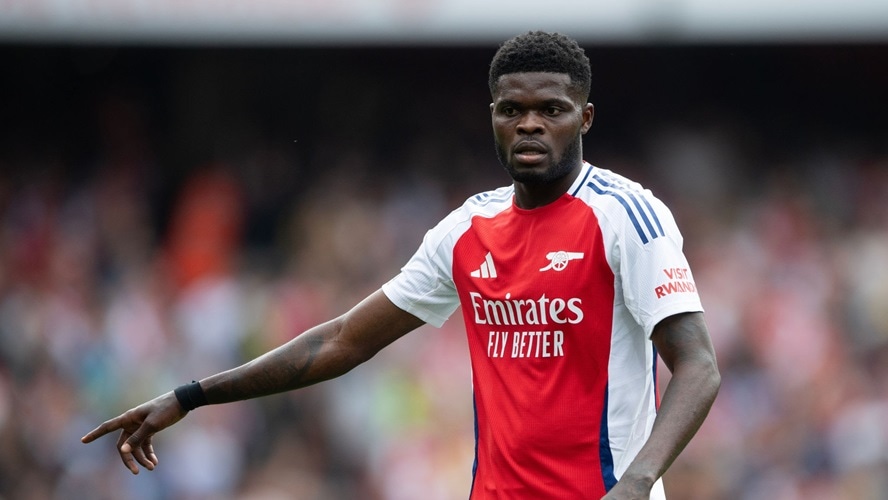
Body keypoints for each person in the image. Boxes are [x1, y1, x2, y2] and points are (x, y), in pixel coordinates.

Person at [82, 31, 720, 499]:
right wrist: (191, 396)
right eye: (512, 110)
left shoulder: (627, 216)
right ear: (493, 117)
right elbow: (342, 340)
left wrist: (637, 483)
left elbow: (698, 366)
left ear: (584, 117)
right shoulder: (465, 229)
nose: (530, 124)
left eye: (551, 110)